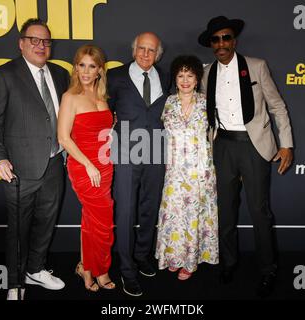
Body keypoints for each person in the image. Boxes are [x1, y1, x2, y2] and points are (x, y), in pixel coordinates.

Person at [198, 16, 294, 297]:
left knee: (259, 212)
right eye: (216, 40)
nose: (221, 44)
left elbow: (277, 106)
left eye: (226, 37)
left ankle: (268, 269)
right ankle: (228, 263)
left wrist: (286, 144)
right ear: (212, 45)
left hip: (255, 146)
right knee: (225, 212)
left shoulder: (257, 66)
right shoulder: (206, 74)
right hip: (223, 146)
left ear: (234, 40)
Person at [0, 18, 69, 300]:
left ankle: (36, 269)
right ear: (21, 43)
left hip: (55, 163)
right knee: (18, 228)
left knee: (47, 222)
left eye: (45, 41)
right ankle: (15, 282)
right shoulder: (4, 74)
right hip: (19, 167)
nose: (41, 46)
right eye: (34, 40)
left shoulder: (58, 74)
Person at [107, 32, 170, 296]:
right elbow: (101, 110)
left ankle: (143, 254)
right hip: (125, 151)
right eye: (142, 49)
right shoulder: (114, 76)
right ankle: (127, 270)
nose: (146, 54)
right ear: (134, 50)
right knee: (125, 212)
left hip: (156, 148)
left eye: (151, 50)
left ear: (158, 54)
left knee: (150, 206)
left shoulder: (166, 76)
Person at [155, 55, 219, 281]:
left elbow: (217, 135)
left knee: (193, 215)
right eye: (180, 75)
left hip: (199, 171)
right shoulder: (168, 102)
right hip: (174, 170)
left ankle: (190, 262)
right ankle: (174, 257)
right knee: (175, 214)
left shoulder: (206, 102)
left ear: (197, 78)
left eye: (190, 76)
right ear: (175, 78)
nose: (185, 80)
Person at [57, 45, 115, 292]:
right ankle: (102, 270)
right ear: (75, 67)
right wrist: (89, 164)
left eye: (92, 66)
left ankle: (85, 268)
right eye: (81, 65)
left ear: (100, 70)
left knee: (91, 221)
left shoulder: (102, 97)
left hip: (105, 166)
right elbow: (63, 138)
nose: (86, 71)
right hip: (84, 167)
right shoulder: (70, 97)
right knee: (103, 221)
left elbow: (105, 131)